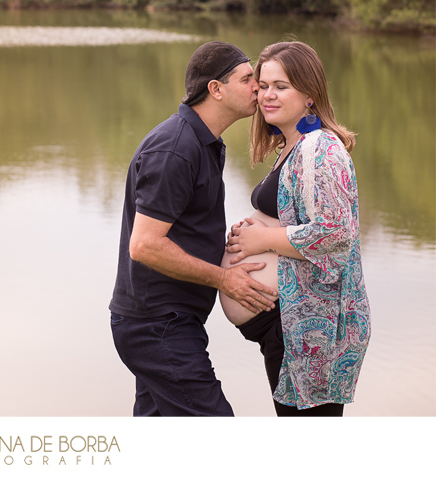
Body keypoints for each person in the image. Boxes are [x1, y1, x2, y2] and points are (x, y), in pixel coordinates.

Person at [109, 40, 278, 417]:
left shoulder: (204, 143)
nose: (259, 87)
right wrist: (224, 278)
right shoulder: (175, 149)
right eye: (248, 78)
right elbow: (146, 246)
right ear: (216, 89)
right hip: (156, 325)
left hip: (169, 322)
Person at [224, 41, 371, 416]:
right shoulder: (292, 146)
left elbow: (336, 233)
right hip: (289, 327)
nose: (267, 95)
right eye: (263, 85)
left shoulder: (322, 148)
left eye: (281, 86)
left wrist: (262, 238)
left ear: (309, 94)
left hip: (310, 333)